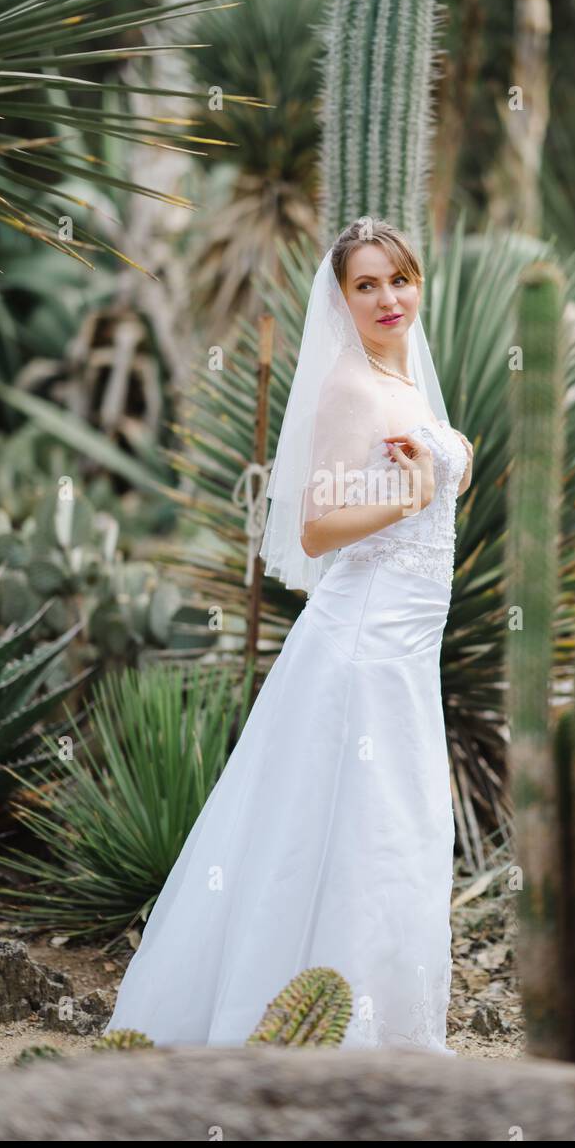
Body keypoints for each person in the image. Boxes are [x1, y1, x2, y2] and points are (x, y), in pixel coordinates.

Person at [103, 217, 474, 1053]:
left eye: (399, 280)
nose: (388, 298)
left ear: (418, 283)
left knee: (392, 829)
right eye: (367, 286)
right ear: (341, 300)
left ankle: (376, 1023)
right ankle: (311, 1032)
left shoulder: (408, 372)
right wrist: (411, 499)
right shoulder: (348, 384)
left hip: (409, 645)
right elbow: (314, 528)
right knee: (357, 826)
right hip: (363, 642)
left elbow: (439, 465)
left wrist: (454, 456)